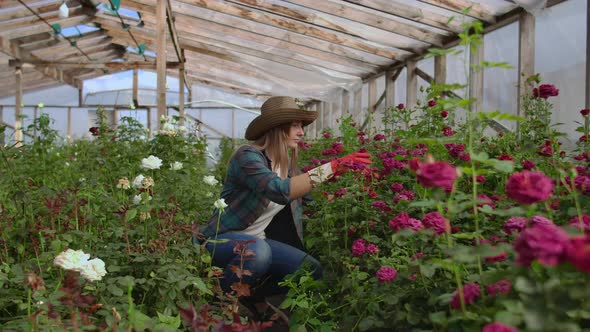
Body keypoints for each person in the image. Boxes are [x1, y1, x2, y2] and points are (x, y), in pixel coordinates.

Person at [195, 96, 371, 318]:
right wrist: (333, 167)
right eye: (295, 125)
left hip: (256, 244)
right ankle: (219, 305)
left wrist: (353, 198)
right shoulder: (248, 156)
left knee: (310, 269)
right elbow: (280, 190)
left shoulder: (286, 166)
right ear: (277, 128)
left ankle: (253, 296)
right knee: (258, 252)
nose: (302, 132)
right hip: (220, 241)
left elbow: (309, 198)